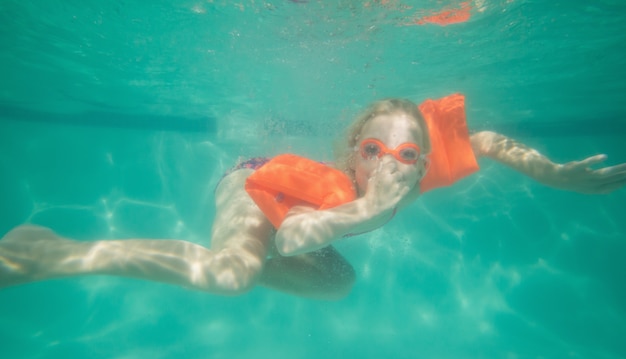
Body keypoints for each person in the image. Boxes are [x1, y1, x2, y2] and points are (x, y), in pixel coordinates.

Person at [1, 96, 625, 299]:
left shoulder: (418, 169)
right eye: (373, 150)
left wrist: (551, 173)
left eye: (407, 156)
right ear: (354, 149)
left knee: (338, 284)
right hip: (259, 183)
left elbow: (484, 138)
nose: (389, 165)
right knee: (231, 277)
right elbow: (297, 232)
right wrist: (368, 209)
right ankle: (52, 252)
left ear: (423, 161)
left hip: (309, 216)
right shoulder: (328, 185)